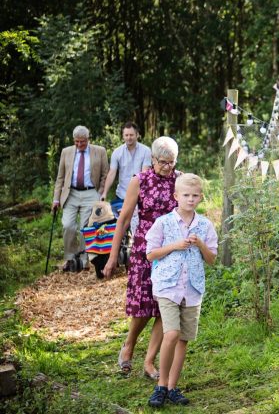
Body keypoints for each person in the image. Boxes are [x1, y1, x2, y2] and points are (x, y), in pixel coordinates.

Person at [103, 136, 182, 381]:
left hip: (172, 251)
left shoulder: (180, 180)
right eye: (163, 162)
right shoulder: (140, 181)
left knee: (166, 307)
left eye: (171, 162)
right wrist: (112, 256)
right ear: (152, 159)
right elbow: (123, 220)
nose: (167, 167)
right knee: (143, 305)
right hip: (145, 250)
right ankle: (129, 343)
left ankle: (149, 362)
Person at [145, 173, 217, 408]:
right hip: (167, 286)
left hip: (192, 288)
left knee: (183, 339)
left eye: (195, 195)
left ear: (201, 197)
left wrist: (200, 244)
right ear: (176, 196)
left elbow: (212, 259)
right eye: (186, 195)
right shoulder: (163, 223)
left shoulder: (205, 225)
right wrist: (175, 245)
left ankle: (173, 387)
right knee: (172, 334)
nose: (190, 199)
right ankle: (161, 386)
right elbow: (150, 254)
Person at [51, 125, 109, 271]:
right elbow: (60, 177)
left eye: (82, 141)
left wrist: (100, 192)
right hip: (71, 193)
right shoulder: (66, 152)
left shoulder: (100, 151)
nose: (79, 144)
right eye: (76, 141)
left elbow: (105, 174)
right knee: (68, 225)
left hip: (90, 192)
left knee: (85, 228)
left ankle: (84, 260)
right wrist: (56, 199)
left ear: (88, 139)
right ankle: (70, 258)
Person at [101, 122, 152, 204]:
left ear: (137, 135)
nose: (129, 138)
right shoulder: (117, 152)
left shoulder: (146, 151)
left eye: (131, 135)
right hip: (122, 195)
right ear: (123, 136)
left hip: (140, 196)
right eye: (126, 135)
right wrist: (105, 193)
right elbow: (111, 173)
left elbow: (145, 173)